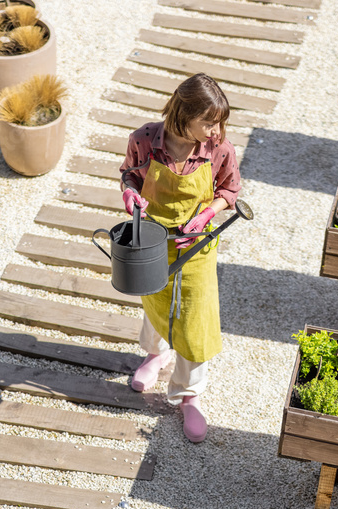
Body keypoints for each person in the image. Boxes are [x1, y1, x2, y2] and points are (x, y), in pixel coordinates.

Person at [119, 73, 241, 443]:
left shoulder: (220, 150)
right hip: (152, 239)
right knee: (154, 300)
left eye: (220, 121)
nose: (216, 130)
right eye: (208, 122)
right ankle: (155, 356)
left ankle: (189, 394)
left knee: (195, 319)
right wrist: (129, 195)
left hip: (196, 245)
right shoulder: (144, 140)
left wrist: (208, 214)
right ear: (182, 115)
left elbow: (230, 190)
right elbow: (129, 176)